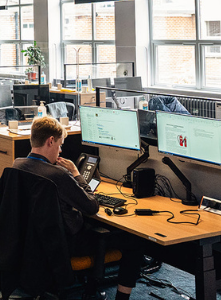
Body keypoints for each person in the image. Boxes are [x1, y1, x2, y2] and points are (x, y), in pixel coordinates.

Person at [13, 117, 145, 300]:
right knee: (135, 241)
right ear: (51, 141)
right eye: (60, 145)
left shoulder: (17, 166)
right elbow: (91, 207)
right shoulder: (57, 175)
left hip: (35, 243)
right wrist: (76, 174)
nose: (60, 150)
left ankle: (91, 288)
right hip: (67, 245)